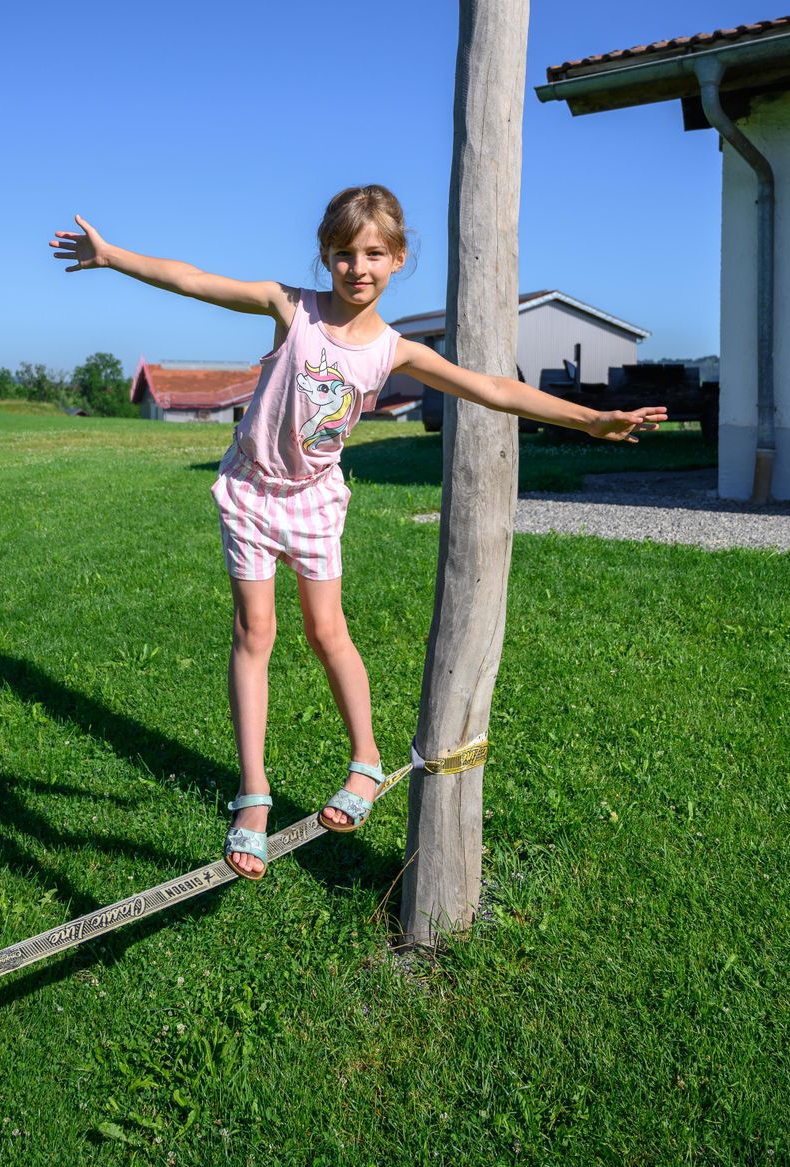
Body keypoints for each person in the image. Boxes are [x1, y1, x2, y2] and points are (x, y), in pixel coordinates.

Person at [49, 184, 666, 881]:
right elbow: (195, 281)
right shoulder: (292, 309)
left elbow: (492, 388)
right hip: (250, 490)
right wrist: (111, 255)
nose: (357, 266)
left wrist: (591, 420)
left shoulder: (395, 350)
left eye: (373, 252)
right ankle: (252, 796)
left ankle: (365, 761)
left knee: (325, 631)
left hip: (313, 501)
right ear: (325, 258)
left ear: (398, 258)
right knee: (253, 634)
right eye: (343, 254)